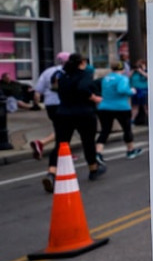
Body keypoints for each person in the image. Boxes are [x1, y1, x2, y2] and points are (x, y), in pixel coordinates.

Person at [45, 53, 105, 191]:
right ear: (82, 62)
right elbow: (82, 88)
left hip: (64, 113)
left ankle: (52, 172)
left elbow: (56, 89)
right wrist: (94, 98)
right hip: (83, 113)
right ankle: (93, 169)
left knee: (61, 143)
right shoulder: (83, 75)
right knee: (88, 141)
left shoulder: (63, 76)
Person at [96, 60, 143, 161]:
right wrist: (132, 91)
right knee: (127, 129)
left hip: (104, 106)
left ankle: (98, 152)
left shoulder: (106, 78)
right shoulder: (122, 78)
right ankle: (130, 150)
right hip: (120, 107)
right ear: (122, 69)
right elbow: (122, 90)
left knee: (105, 130)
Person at [30, 52, 70, 162]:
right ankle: (44, 144)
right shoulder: (68, 72)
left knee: (60, 127)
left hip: (50, 104)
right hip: (63, 103)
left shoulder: (47, 72)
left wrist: (36, 104)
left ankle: (63, 152)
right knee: (65, 129)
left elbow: (38, 92)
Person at [130, 59, 149, 125]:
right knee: (135, 106)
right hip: (135, 90)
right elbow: (127, 77)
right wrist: (133, 70)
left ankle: (151, 121)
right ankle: (132, 121)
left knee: (146, 106)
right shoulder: (134, 72)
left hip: (144, 90)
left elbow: (148, 77)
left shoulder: (145, 71)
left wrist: (141, 70)